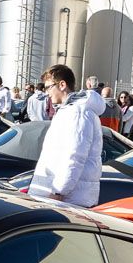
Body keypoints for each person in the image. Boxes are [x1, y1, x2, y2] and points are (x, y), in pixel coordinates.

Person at [29, 65, 104, 207]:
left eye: (48, 87)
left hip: (67, 201)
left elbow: (74, 156)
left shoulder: (78, 112)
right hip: (63, 197)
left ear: (62, 85)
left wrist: (58, 192)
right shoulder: (68, 111)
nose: (47, 93)